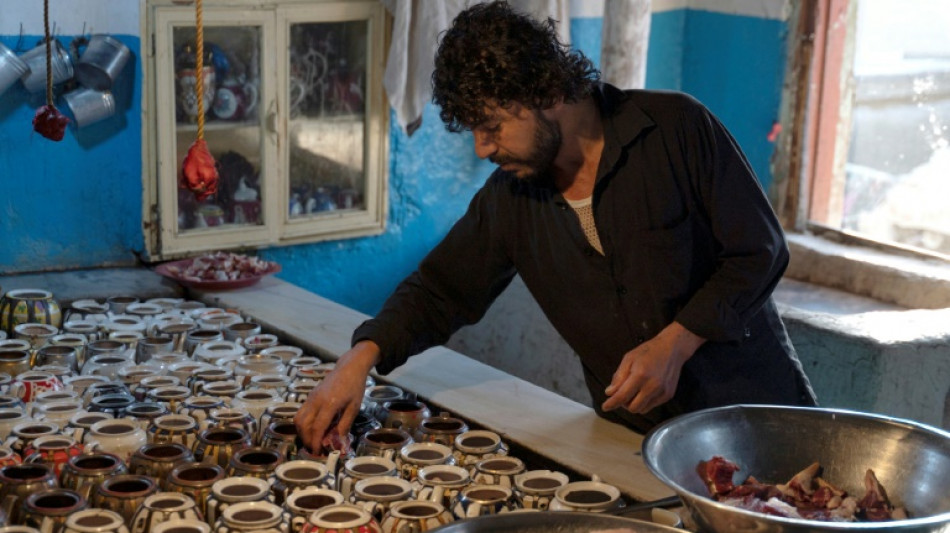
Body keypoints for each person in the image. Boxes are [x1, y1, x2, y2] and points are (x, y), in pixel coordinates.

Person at [295, 0, 817, 449]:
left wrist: (676, 342)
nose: (481, 149)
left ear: (546, 92)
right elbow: (439, 290)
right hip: (636, 442)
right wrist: (359, 359)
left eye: (491, 126)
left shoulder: (675, 130)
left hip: (757, 430)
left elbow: (760, 252)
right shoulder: (511, 199)